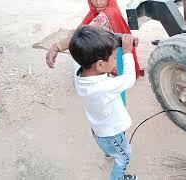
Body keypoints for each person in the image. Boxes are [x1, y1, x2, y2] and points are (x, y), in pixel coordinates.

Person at [69, 25, 137, 180]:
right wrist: (127, 53)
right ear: (99, 65)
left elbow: (76, 49)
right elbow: (129, 78)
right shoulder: (105, 87)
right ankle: (118, 178)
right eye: (114, 57)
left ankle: (109, 152)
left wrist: (117, 44)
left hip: (98, 129)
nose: (115, 59)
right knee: (125, 155)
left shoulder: (79, 73)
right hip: (113, 132)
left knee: (109, 148)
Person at [45, 0, 141, 78]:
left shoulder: (110, 13)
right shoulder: (94, 12)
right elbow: (82, 30)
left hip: (117, 60)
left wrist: (56, 47)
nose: (98, 3)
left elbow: (84, 36)